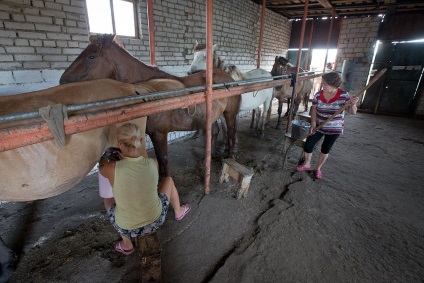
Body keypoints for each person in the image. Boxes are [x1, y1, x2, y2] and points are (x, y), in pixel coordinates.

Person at [99, 123, 191, 255]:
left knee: (108, 199)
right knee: (168, 180)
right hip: (156, 221)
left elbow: (102, 167)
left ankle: (127, 244)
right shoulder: (153, 163)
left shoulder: (111, 168)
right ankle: (179, 211)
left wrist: (107, 156)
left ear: (119, 144)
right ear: (141, 142)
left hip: (126, 228)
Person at [296, 71, 359, 179]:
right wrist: (313, 124)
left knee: (325, 148)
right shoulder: (318, 95)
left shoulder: (344, 95)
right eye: (323, 83)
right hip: (319, 126)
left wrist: (353, 104)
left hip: (334, 128)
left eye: (326, 84)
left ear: (334, 84)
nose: (323, 86)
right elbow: (314, 110)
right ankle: (307, 164)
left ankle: (318, 169)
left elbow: (353, 112)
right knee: (308, 145)